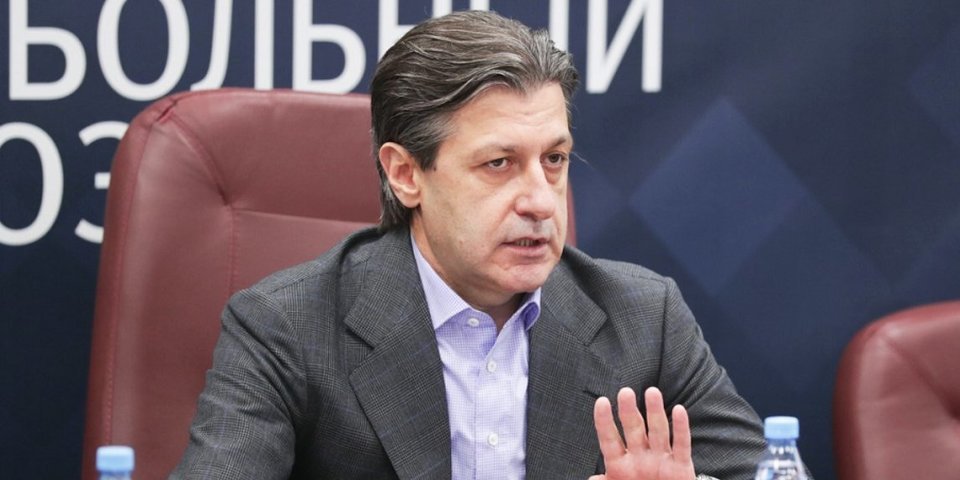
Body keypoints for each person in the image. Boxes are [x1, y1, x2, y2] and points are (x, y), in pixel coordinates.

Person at [172, 10, 766, 480]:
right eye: (498, 163)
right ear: (406, 174)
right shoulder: (287, 328)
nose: (541, 201)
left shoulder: (643, 319)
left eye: (554, 160)